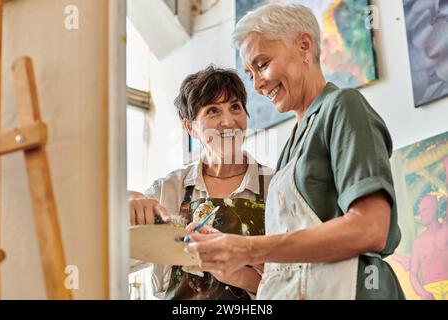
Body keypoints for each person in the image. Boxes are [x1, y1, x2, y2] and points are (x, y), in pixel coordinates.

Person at [186, 4, 405, 299]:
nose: (258, 85)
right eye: (250, 74)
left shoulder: (342, 107)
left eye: (262, 65)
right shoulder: (290, 147)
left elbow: (370, 228)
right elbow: (295, 259)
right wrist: (233, 254)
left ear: (304, 46)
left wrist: (248, 247)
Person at [129, 65, 272, 300]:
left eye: (235, 107)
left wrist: (237, 274)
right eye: (213, 111)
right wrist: (126, 201)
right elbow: (113, 255)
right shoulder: (167, 191)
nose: (228, 121)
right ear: (189, 127)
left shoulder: (276, 186)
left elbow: (298, 280)